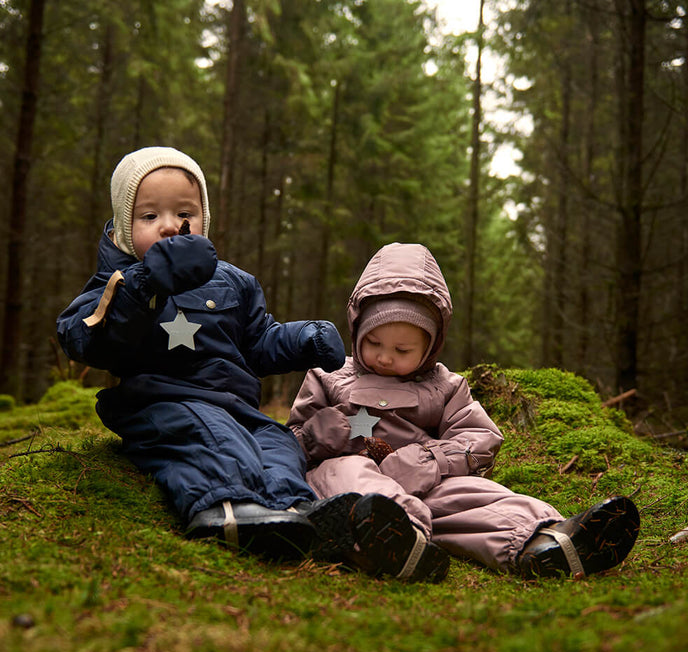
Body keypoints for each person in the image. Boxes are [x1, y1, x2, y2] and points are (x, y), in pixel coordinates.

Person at [56, 145, 360, 561]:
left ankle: (296, 511)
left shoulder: (233, 282)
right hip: (161, 402)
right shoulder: (118, 283)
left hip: (236, 406)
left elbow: (258, 342)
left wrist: (305, 338)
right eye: (149, 216)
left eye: (184, 214)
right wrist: (146, 283)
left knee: (276, 441)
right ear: (125, 228)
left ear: (203, 218)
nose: (169, 227)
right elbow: (83, 337)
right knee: (209, 433)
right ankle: (226, 507)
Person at [287, 242, 640, 579]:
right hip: (349, 478)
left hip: (423, 483)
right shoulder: (328, 375)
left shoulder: (445, 385)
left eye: (402, 349)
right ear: (356, 329)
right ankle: (395, 536)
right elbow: (285, 443)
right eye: (373, 343)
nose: (384, 357)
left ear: (430, 346)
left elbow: (481, 437)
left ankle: (545, 539)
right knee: (349, 470)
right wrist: (315, 436)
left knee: (470, 496)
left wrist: (431, 461)